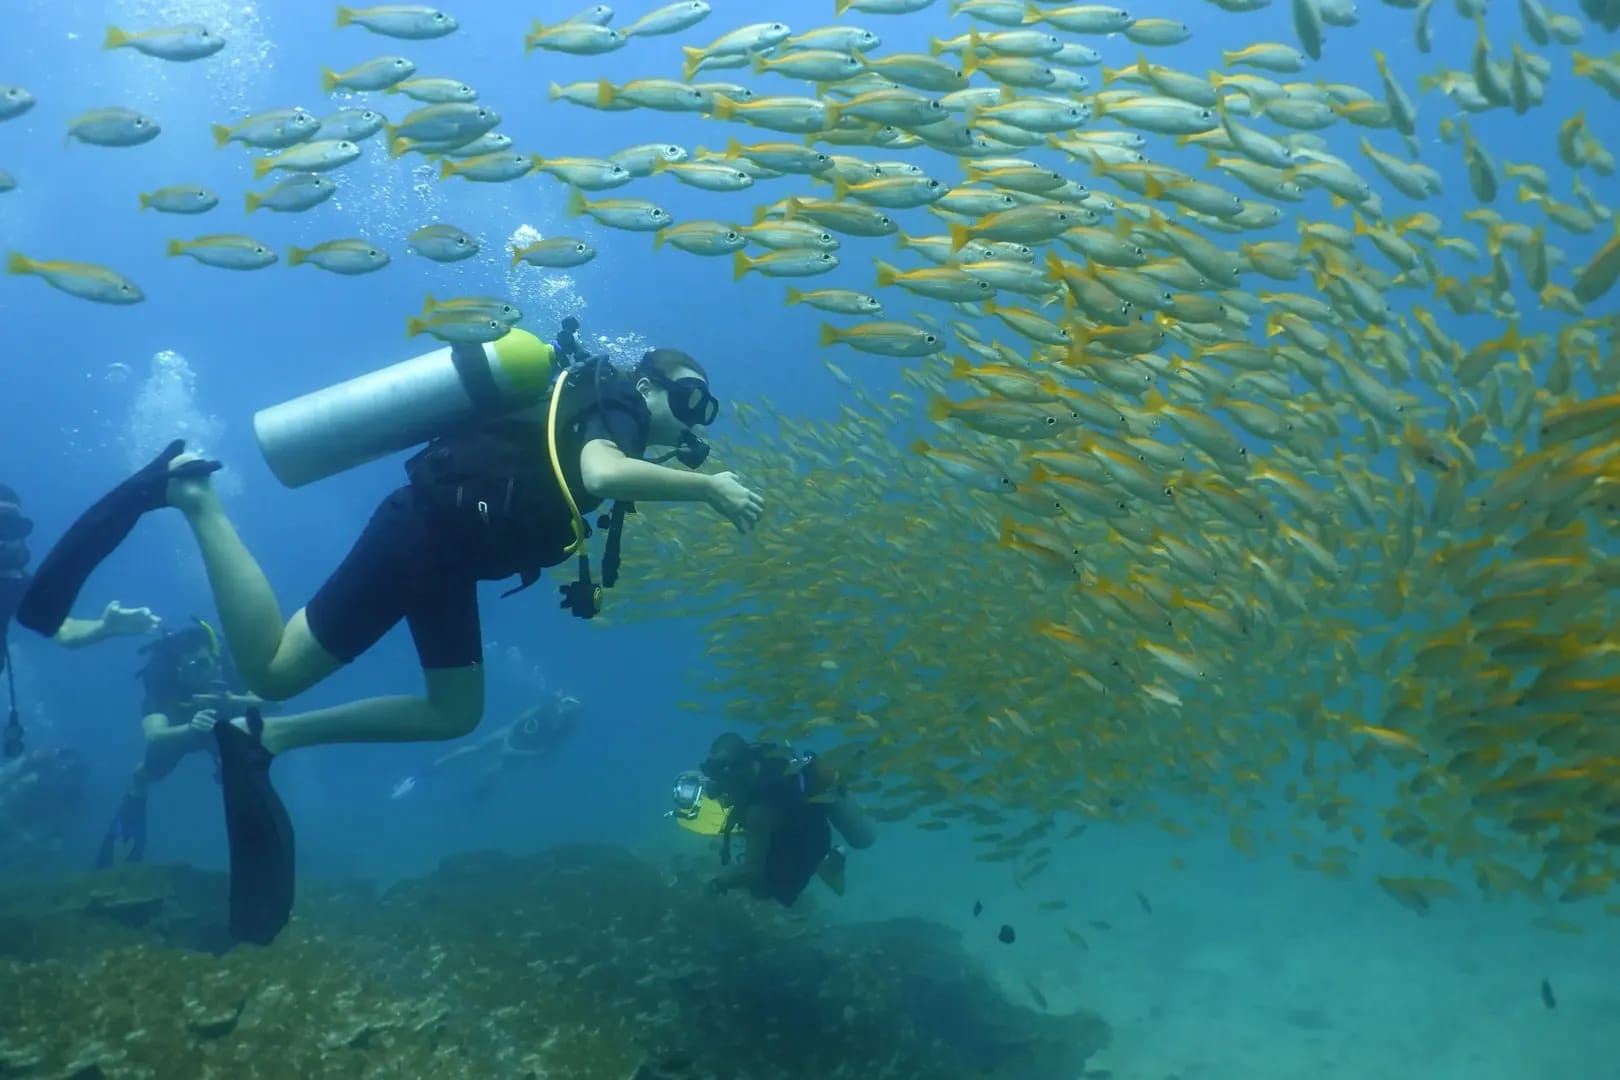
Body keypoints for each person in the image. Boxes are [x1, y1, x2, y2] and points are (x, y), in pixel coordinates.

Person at [16, 323, 763, 943]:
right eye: (692, 401)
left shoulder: (593, 402)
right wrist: (709, 488)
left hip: (442, 556)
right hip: (421, 539)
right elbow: (600, 475)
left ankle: (267, 737)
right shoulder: (619, 402)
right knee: (274, 668)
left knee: (454, 713)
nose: (691, 422)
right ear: (655, 384)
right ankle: (194, 499)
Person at [0, 484, 160, 759]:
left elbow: (64, 628)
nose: (6, 538)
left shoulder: (17, 585)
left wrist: (105, 627)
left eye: (14, 528)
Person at [96, 620, 265, 867]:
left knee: (244, 768)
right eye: (197, 665)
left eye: (211, 662)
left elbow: (274, 701)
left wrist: (233, 701)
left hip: (221, 726)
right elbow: (154, 735)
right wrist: (190, 727)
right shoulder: (163, 686)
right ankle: (125, 837)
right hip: (180, 732)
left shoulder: (230, 671)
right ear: (179, 669)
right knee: (144, 774)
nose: (210, 671)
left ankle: (255, 841)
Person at [672, 733, 877, 907]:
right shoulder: (761, 766)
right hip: (803, 828)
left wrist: (716, 885)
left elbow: (751, 873)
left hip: (804, 844)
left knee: (762, 891)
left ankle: (827, 862)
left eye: (722, 781)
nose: (720, 789)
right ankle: (827, 860)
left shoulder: (759, 811)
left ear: (737, 771)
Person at [395, 690, 583, 803]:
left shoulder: (561, 732)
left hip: (521, 749)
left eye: (569, 704)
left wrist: (513, 752)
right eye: (563, 700)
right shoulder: (542, 708)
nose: (562, 704)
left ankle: (476, 797)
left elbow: (543, 753)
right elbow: (519, 719)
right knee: (478, 747)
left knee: (493, 769)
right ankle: (432, 768)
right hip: (512, 734)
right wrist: (507, 737)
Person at [0, 744, 87, 872]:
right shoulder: (26, 772)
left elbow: (64, 816)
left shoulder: (62, 787)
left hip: (21, 817)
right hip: (13, 814)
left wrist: (55, 841)